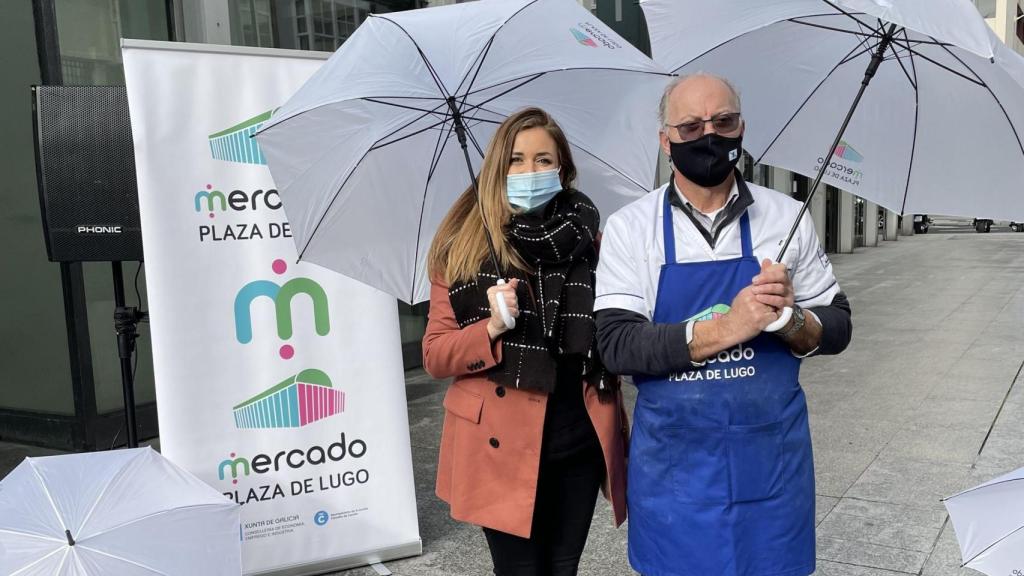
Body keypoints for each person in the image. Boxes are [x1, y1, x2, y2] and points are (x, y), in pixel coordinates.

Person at [594, 74, 853, 576]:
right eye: (690, 127)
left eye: (724, 122)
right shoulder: (632, 228)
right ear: (665, 141)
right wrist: (730, 326)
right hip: (675, 474)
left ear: (742, 127)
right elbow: (618, 344)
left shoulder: (788, 217)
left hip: (772, 465)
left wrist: (790, 319)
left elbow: (838, 326)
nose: (709, 136)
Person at [422, 107, 627, 576]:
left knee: (563, 567)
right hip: (500, 442)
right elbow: (434, 354)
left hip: (577, 436)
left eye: (542, 160)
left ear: (563, 169)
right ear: (497, 168)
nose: (529, 172)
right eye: (516, 160)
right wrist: (491, 327)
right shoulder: (462, 246)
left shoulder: (591, 243)